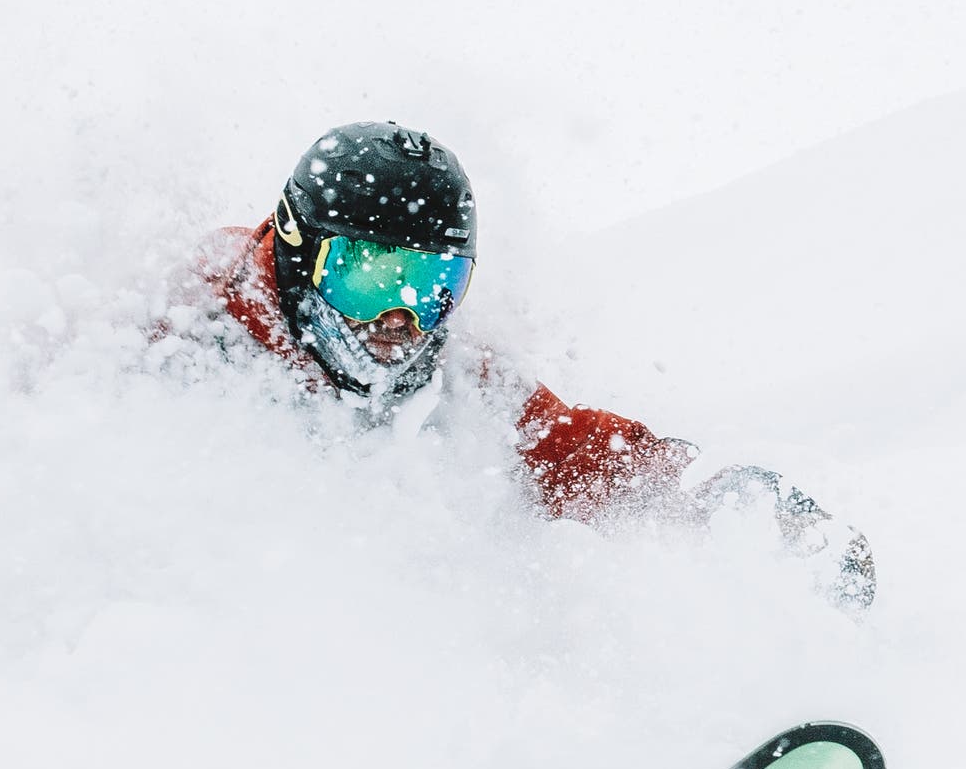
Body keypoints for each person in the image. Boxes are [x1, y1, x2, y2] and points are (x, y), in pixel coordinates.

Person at [179, 123, 875, 607]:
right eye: (370, 278)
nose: (403, 320)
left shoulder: (453, 377)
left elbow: (571, 451)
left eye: (434, 286)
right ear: (298, 253)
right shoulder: (191, 328)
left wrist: (710, 501)